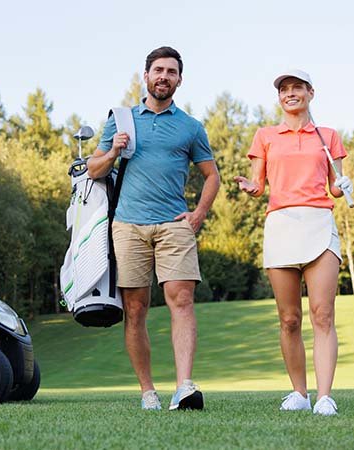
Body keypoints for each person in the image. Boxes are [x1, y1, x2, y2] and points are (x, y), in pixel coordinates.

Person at [87, 46, 220, 411]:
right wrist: (113, 151)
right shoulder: (122, 118)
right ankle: (148, 392)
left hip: (174, 225)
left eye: (171, 71)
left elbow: (212, 176)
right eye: (158, 70)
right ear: (145, 76)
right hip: (128, 226)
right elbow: (93, 169)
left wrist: (198, 214)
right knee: (135, 308)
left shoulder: (191, 127)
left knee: (182, 300)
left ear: (179, 79)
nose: (164, 76)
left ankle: (184, 387)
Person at [233, 69, 353, 416]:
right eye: (284, 89)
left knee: (323, 313)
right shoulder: (265, 136)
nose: (290, 93)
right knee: (288, 319)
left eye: (296, 87)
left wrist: (343, 187)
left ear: (310, 93)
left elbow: (333, 185)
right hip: (281, 224)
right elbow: (259, 185)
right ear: (279, 97)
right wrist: (249, 187)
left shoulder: (327, 136)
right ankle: (299, 393)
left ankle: (325, 396)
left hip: (318, 221)